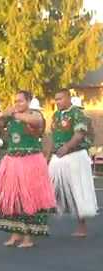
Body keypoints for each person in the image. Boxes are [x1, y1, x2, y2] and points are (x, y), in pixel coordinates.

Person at [0, 90, 55, 248]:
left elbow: (36, 122)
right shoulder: (9, 117)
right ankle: (15, 234)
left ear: (29, 101)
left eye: (21, 101)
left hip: (30, 162)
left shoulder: (35, 115)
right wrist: (3, 113)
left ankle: (28, 237)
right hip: (12, 161)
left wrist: (14, 114)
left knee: (28, 199)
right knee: (14, 199)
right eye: (15, 101)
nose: (17, 104)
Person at [49, 89, 98, 237]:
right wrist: (47, 156)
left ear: (69, 98)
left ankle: (81, 226)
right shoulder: (56, 115)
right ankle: (38, 223)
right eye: (56, 99)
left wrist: (67, 147)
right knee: (48, 189)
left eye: (60, 98)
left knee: (78, 190)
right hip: (58, 158)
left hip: (75, 156)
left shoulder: (77, 113)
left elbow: (80, 134)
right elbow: (53, 137)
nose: (57, 102)